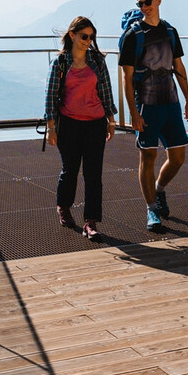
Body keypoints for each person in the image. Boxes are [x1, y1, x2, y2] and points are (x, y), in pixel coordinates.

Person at [119, 0, 188, 232]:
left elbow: (179, 67)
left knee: (178, 157)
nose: (144, 7)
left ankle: (159, 190)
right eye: (140, 4)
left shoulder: (171, 31)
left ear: (159, 0)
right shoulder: (133, 36)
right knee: (148, 155)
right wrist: (132, 112)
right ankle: (152, 210)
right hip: (147, 104)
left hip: (171, 101)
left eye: (148, 2)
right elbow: (126, 77)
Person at [44, 16, 117, 241]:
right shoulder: (60, 63)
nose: (88, 41)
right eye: (84, 36)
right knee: (70, 170)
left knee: (94, 174)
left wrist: (111, 120)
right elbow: (50, 97)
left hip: (95, 123)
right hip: (69, 124)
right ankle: (64, 207)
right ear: (72, 35)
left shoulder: (97, 60)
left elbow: (105, 89)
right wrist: (51, 128)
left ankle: (90, 222)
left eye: (91, 37)